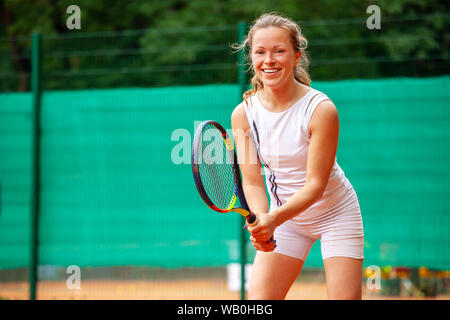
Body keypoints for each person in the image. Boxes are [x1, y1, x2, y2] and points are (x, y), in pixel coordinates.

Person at [231, 13, 364, 300]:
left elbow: (315, 185)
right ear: (251, 58)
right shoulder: (243, 114)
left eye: (279, 51)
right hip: (287, 220)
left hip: (335, 214)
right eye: (260, 52)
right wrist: (263, 219)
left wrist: (272, 220)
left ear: (296, 56)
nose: (269, 60)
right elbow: (253, 182)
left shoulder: (321, 109)